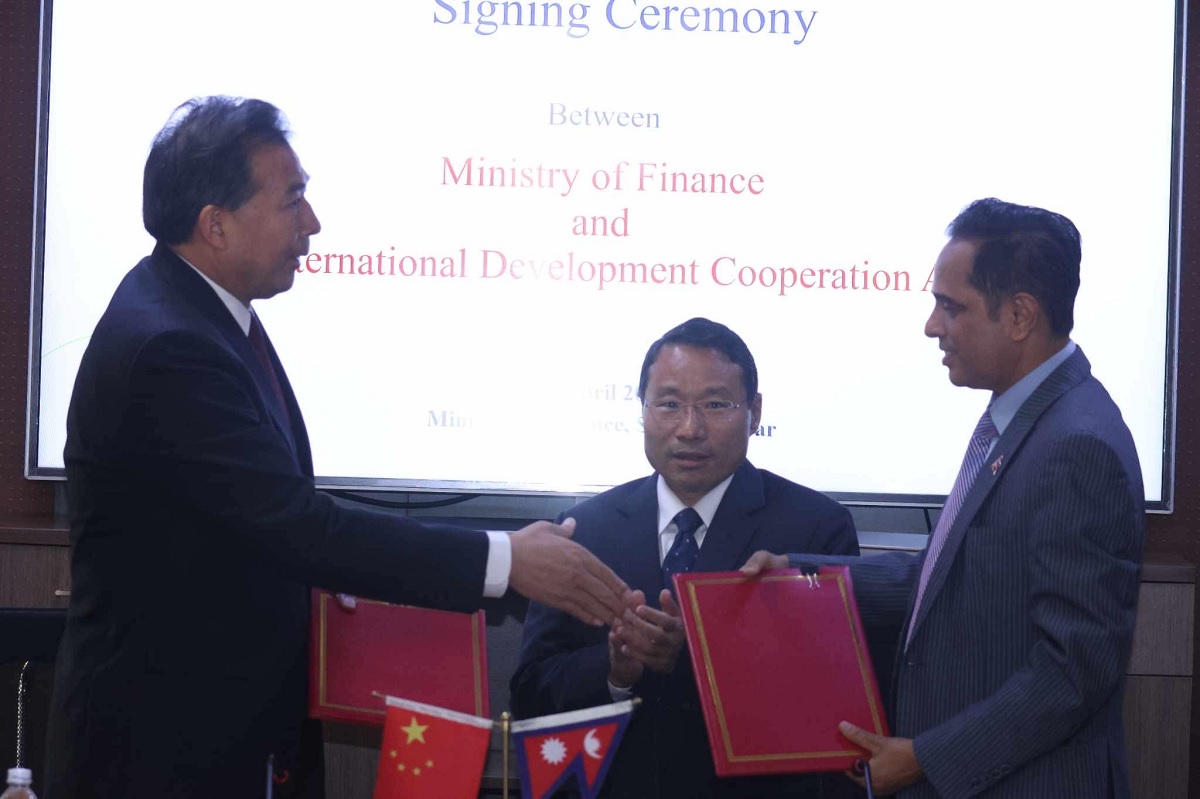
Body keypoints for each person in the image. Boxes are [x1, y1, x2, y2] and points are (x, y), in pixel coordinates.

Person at [43, 96, 630, 799]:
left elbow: (259, 523)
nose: (312, 223)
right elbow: (295, 526)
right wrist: (506, 560)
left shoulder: (200, 313)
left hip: (224, 734)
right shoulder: (171, 345)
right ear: (215, 224)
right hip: (165, 752)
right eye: (292, 200)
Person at [743, 198, 1145, 798]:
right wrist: (798, 577)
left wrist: (925, 759)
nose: (932, 327)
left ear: (1019, 315)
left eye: (951, 307)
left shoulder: (1075, 445)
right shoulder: (1021, 417)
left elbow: (1073, 672)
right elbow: (944, 581)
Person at [511, 317, 860, 799]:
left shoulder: (815, 528)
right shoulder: (584, 529)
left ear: (754, 413)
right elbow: (530, 695)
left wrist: (694, 658)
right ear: (642, 408)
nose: (690, 429)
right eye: (669, 404)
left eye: (715, 405)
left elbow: (831, 702)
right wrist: (615, 670)